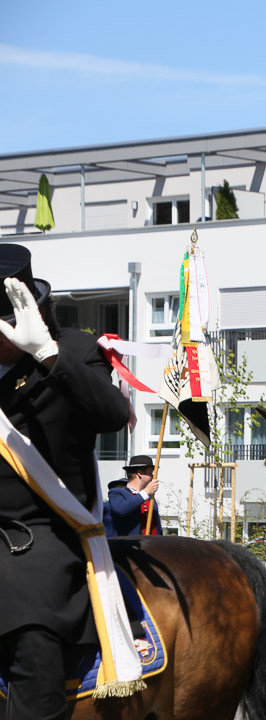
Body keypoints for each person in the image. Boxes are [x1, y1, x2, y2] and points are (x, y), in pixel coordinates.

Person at [0, 244, 130, 719]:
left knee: (31, 642)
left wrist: (48, 357)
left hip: (40, 541)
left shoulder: (75, 351)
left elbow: (112, 414)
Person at [106, 455, 163, 537]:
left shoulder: (150, 498)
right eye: (150, 473)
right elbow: (120, 510)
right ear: (140, 474)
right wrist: (145, 492)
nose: (153, 477)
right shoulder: (116, 493)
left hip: (152, 546)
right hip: (129, 547)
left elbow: (157, 527)